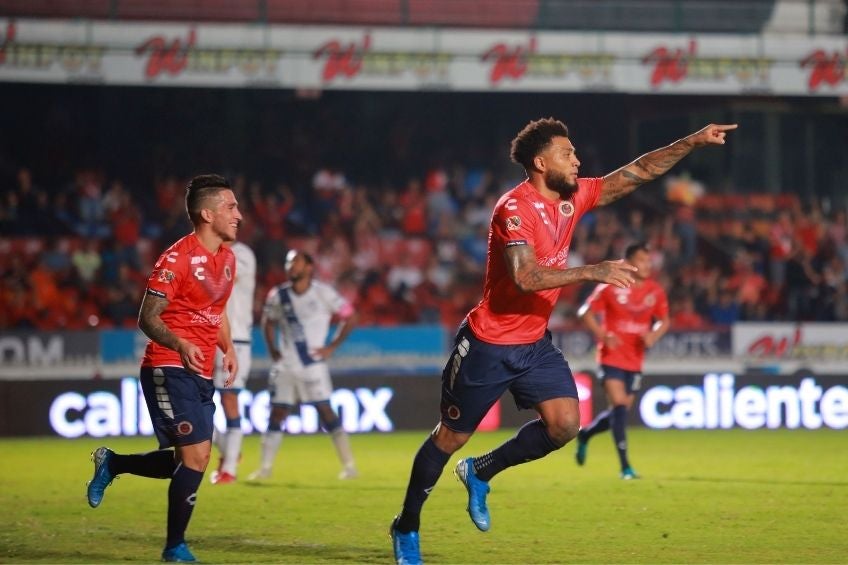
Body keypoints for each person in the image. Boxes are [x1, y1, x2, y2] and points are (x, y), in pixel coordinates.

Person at [389, 118, 736, 565]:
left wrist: (691, 141)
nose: (578, 160)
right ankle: (407, 526)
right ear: (540, 162)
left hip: (534, 343)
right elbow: (526, 276)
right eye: (567, 153)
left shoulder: (572, 199)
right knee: (449, 438)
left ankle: (481, 471)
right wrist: (592, 270)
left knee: (565, 426)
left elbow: (637, 172)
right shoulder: (512, 208)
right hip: (488, 344)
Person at [86, 174, 241, 563]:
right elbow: (147, 317)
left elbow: (215, 310)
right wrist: (180, 342)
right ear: (207, 213)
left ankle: (113, 463)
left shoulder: (227, 258)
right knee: (195, 459)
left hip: (202, 370)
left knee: (190, 460)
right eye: (231, 207)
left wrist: (228, 348)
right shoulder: (177, 259)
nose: (238, 215)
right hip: (168, 366)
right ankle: (174, 547)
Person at [248, 249, 359, 481]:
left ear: (309, 267)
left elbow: (350, 316)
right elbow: (267, 321)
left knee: (327, 413)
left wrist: (332, 346)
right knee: (276, 414)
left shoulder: (323, 293)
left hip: (312, 365)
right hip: (286, 366)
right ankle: (265, 468)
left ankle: (349, 466)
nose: (291, 266)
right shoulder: (278, 295)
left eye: (296, 262)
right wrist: (272, 349)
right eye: (288, 262)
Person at [574, 242, 670, 479]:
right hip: (611, 356)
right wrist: (602, 335)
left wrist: (653, 335)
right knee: (618, 405)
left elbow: (664, 320)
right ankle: (625, 466)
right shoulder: (611, 287)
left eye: (649, 261)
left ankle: (585, 434)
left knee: (620, 411)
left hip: (635, 359)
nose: (647, 265)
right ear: (629, 263)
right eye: (642, 260)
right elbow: (584, 312)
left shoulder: (655, 291)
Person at [209, 239, 257, 484]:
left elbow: (223, 279)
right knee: (196, 403)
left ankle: (229, 469)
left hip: (235, 339)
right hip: (206, 337)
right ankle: (230, 451)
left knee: (230, 401)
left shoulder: (242, 253)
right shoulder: (203, 250)